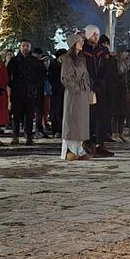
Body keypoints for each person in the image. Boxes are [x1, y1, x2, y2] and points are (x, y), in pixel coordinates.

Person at [59, 32, 92, 161]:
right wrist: (77, 88)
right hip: (74, 94)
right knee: (72, 120)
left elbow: (86, 75)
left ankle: (79, 148)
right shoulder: (68, 59)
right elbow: (66, 78)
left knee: (81, 122)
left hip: (83, 93)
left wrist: (87, 86)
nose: (82, 44)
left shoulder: (81, 58)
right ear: (73, 44)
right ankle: (69, 150)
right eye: (79, 41)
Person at [7, 39, 46, 146]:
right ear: (20, 47)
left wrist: (36, 87)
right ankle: (15, 136)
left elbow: (42, 76)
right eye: (23, 46)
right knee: (16, 115)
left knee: (29, 116)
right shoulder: (14, 61)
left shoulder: (35, 61)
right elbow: (8, 76)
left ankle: (28, 136)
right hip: (17, 92)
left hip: (30, 92)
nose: (25, 48)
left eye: (27, 46)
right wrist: (12, 86)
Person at [82, 26, 113, 156]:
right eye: (94, 34)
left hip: (101, 88)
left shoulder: (103, 50)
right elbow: (83, 68)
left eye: (98, 34)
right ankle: (89, 142)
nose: (96, 37)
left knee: (102, 116)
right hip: (87, 88)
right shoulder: (83, 50)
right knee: (89, 116)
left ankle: (100, 143)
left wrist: (101, 80)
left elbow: (109, 67)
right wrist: (91, 81)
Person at [48, 48, 65, 137]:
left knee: (63, 111)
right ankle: (56, 130)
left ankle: (63, 129)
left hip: (65, 91)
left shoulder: (67, 65)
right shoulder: (53, 65)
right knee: (56, 111)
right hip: (56, 91)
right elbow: (51, 78)